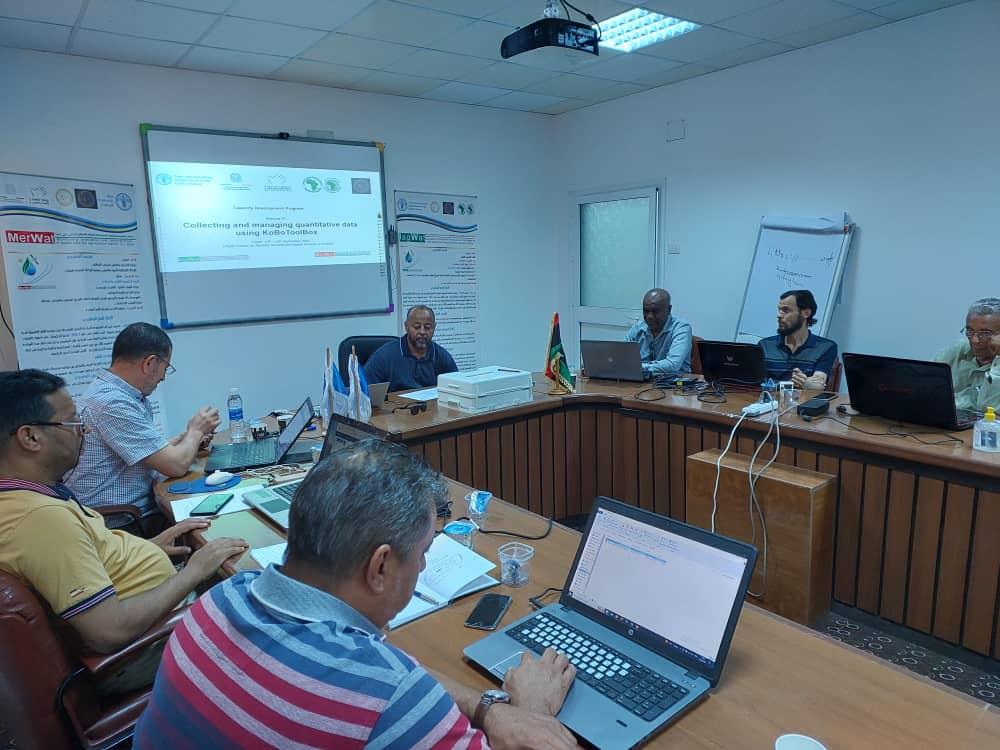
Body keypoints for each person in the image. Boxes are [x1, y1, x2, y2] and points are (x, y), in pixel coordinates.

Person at [134, 440, 579, 750]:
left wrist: (488, 710)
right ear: (380, 567)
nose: (424, 567)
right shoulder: (390, 701)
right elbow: (388, 685)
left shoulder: (218, 601)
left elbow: (390, 671)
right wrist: (535, 712)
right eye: (423, 552)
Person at [0, 369, 247, 692]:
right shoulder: (40, 518)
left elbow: (84, 556)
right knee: (260, 610)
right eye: (72, 422)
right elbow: (108, 632)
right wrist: (194, 572)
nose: (84, 429)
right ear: (30, 438)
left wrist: (150, 547)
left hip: (148, 615)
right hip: (143, 649)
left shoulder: (25, 497)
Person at [65, 322, 220, 522]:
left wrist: (187, 440)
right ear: (150, 363)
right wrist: (196, 431)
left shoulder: (118, 393)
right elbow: (175, 465)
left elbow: (147, 451)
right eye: (166, 367)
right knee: (214, 519)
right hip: (125, 521)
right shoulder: (112, 402)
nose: (163, 377)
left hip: (138, 507)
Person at [364, 305, 458, 392]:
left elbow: (457, 387)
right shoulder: (384, 356)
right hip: (397, 404)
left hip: (430, 404)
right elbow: (364, 391)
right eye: (417, 327)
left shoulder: (441, 356)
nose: (422, 332)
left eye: (427, 327)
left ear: (434, 328)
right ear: (407, 327)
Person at [759, 289, 838, 389]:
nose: (779, 315)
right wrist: (789, 384)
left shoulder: (825, 347)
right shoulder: (765, 345)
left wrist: (806, 383)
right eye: (779, 310)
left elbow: (818, 383)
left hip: (803, 398)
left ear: (806, 313)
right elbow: (755, 383)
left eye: (786, 310)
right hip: (770, 398)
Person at [935, 297, 1000, 412]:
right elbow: (925, 385)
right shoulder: (959, 350)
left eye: (985, 333)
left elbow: (989, 408)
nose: (974, 340)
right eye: (970, 331)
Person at [623, 288, 692, 377]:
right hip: (642, 379)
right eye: (646, 311)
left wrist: (639, 367)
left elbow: (672, 365)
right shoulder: (638, 328)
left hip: (675, 381)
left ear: (669, 309)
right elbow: (622, 358)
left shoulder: (681, 328)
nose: (649, 316)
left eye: (655, 311)